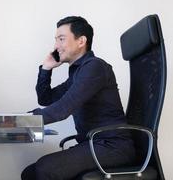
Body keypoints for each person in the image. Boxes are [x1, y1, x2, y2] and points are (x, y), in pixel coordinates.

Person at [21, 16, 135, 180]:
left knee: (44, 170)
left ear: (81, 41)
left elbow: (61, 110)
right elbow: (45, 98)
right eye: (56, 40)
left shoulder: (95, 67)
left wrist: (18, 120)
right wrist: (46, 68)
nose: (56, 46)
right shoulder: (78, 74)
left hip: (113, 146)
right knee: (31, 173)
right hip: (94, 144)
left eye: (61, 39)